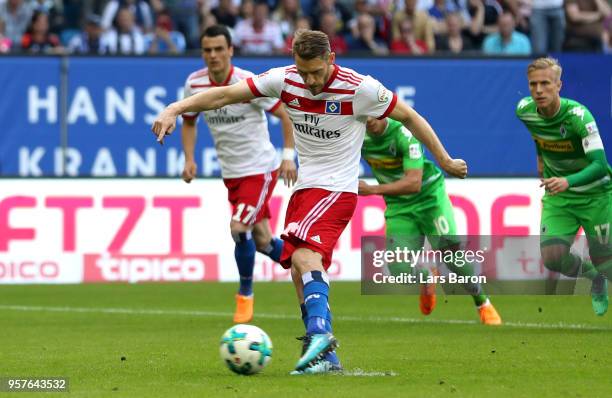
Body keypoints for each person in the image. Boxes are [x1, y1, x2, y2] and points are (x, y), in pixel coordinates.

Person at [152, 29, 467, 374]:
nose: (311, 80)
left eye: (316, 72)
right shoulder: (285, 80)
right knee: (299, 272)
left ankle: (319, 333)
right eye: (303, 72)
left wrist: (446, 159)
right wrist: (175, 108)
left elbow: (409, 117)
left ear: (331, 59)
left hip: (337, 189)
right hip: (306, 189)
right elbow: (224, 95)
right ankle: (325, 358)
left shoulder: (359, 87)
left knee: (304, 256)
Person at [180, 25, 297, 324]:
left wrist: (287, 156)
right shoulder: (194, 84)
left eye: (219, 49)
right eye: (207, 50)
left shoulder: (247, 83)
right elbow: (190, 121)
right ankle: (306, 264)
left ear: (231, 50)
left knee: (238, 228)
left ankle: (245, 295)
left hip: (259, 169)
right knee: (263, 242)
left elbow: (284, 114)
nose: (213, 55)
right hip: (231, 174)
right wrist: (189, 158)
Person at [359, 117, 502, 325]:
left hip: (429, 198)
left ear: (384, 111)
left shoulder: (404, 135)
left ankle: (483, 303)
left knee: (453, 257)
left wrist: (371, 189)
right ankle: (426, 276)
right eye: (365, 114)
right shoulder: (358, 136)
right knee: (398, 269)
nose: (370, 119)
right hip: (399, 207)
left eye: (374, 113)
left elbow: (414, 182)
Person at [515, 57, 611, 316]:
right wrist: (540, 160)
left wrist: (567, 180)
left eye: (545, 83)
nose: (538, 90)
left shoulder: (579, 116)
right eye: (533, 84)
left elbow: (600, 165)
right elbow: (539, 134)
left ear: (559, 85)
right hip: (560, 197)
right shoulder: (524, 110)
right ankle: (594, 278)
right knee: (553, 257)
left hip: (596, 196)